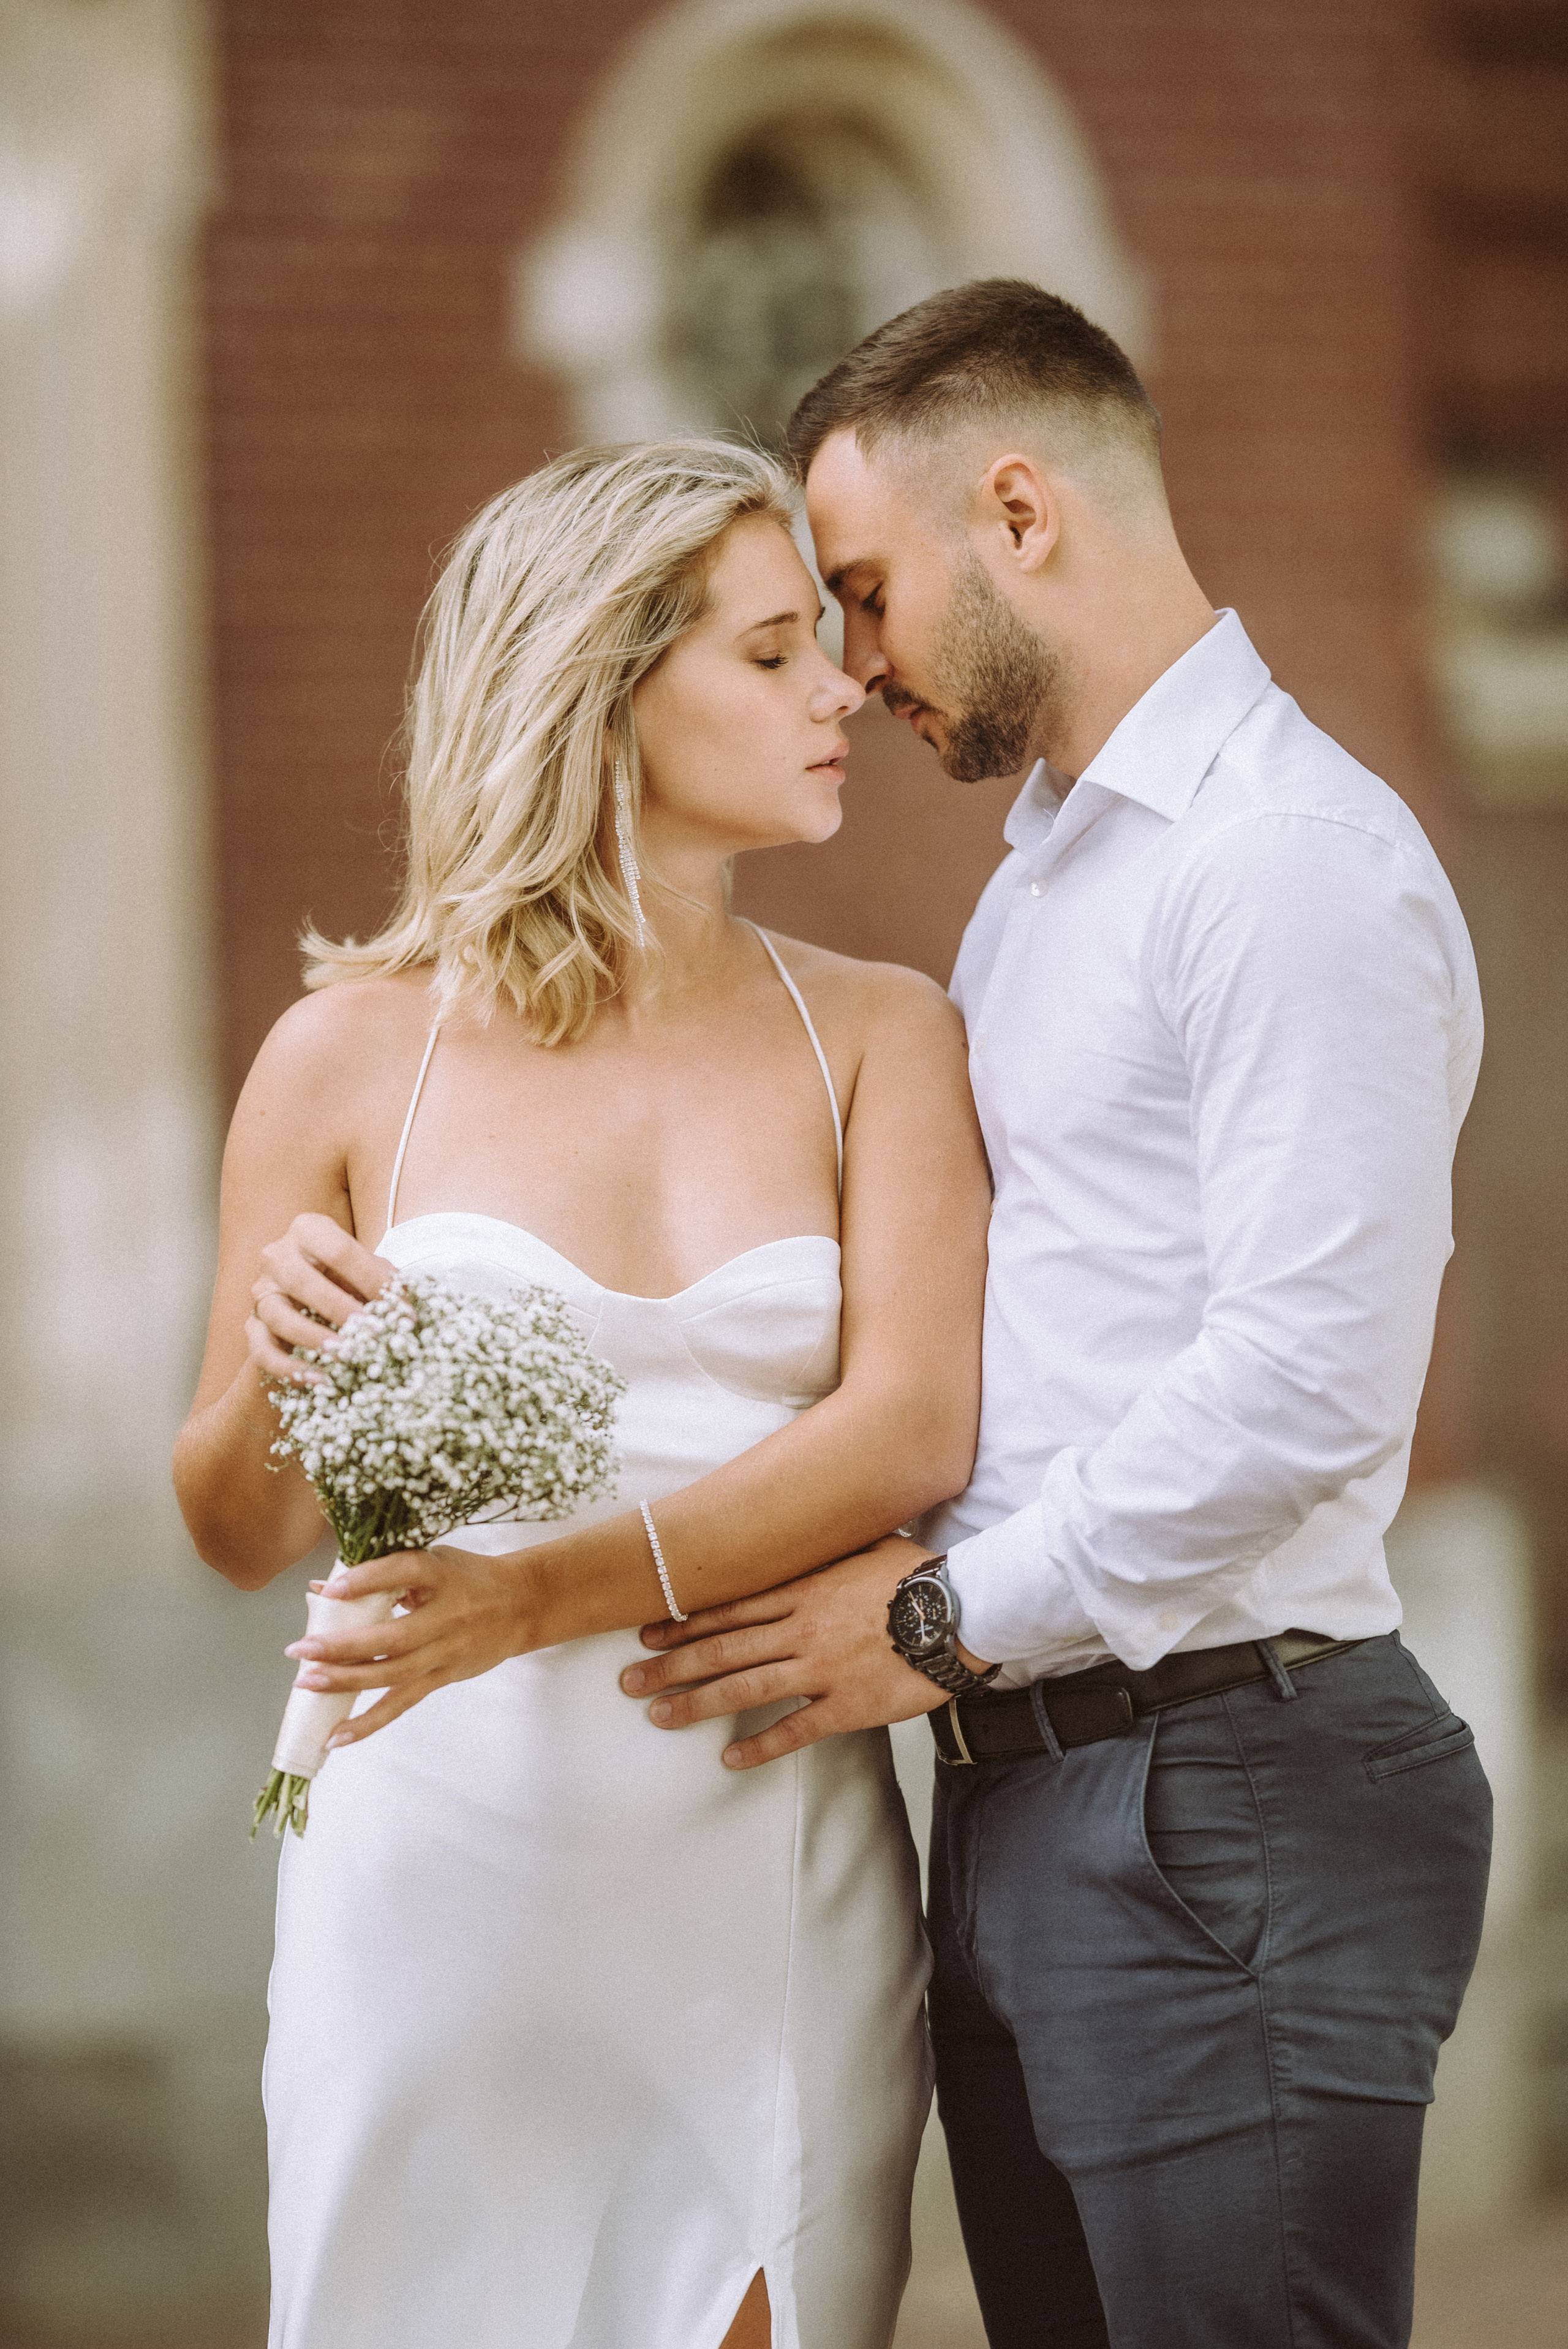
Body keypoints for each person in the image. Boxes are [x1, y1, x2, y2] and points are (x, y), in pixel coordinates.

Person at [624, 282, 1494, 2349]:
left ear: (1018, 513)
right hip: (1028, 1786)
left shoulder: (1284, 861)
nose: (854, 669)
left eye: (863, 593)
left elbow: (1303, 1384)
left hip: (1227, 1787)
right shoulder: (1039, 887)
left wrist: (938, 1618)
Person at [172, 438, 992, 2349]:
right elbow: (230, 1529)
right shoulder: (350, 1055)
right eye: (772, 652)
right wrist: (298, 1378)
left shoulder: (884, 1034)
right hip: (439, 1868)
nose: (840, 688)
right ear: (602, 690)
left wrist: (539, 1592)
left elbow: (911, 1427)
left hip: (761, 1851)